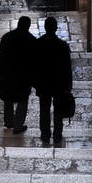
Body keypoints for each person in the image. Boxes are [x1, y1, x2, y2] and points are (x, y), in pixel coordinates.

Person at [0, 15, 36, 134]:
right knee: (23, 100)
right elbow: (34, 61)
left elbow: (0, 57)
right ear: (28, 26)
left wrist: (0, 73)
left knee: (8, 99)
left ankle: (8, 122)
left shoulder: (7, 37)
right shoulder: (31, 40)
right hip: (23, 77)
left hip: (7, 75)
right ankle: (18, 125)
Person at [34, 16, 72, 144]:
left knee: (44, 110)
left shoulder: (38, 44)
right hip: (58, 84)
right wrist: (68, 86)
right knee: (58, 111)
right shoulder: (62, 46)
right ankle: (57, 136)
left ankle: (45, 135)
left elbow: (33, 65)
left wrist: (34, 82)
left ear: (45, 28)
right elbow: (67, 67)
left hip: (43, 83)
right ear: (56, 28)